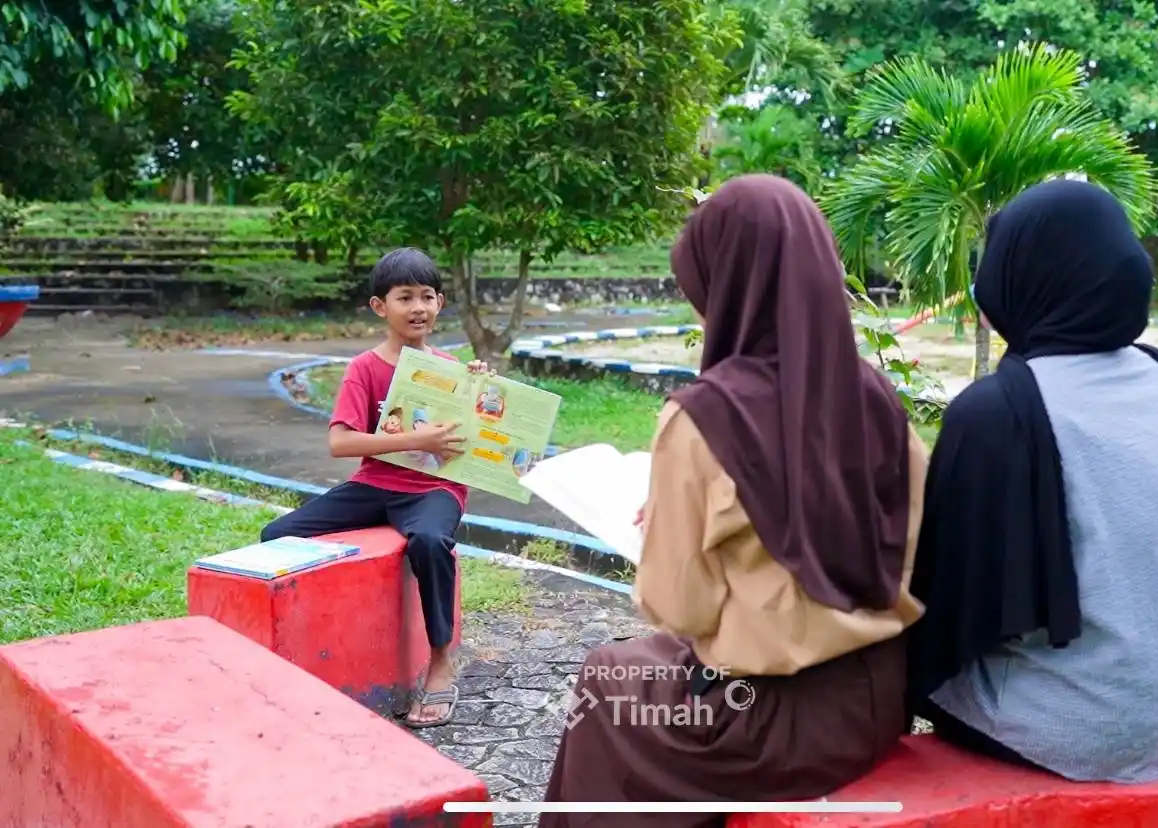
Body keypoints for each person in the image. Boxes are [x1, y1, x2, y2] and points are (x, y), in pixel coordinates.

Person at [539, 174, 930, 827]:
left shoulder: (704, 419)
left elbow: (679, 607)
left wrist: (670, 530)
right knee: (630, 667)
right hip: (879, 698)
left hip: (762, 721)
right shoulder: (876, 400)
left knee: (606, 685)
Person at [906, 178, 1158, 782]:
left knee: (897, 658)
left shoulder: (998, 413)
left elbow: (950, 610)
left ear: (1021, 277)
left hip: (1084, 732)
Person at [259, 247, 489, 728]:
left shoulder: (453, 370)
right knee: (274, 536)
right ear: (380, 307)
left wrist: (483, 393)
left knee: (429, 542)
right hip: (374, 483)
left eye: (427, 296)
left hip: (434, 490)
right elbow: (340, 442)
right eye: (405, 297)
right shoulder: (364, 368)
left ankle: (442, 659)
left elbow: (480, 438)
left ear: (441, 303)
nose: (419, 307)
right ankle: (312, 652)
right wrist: (415, 438)